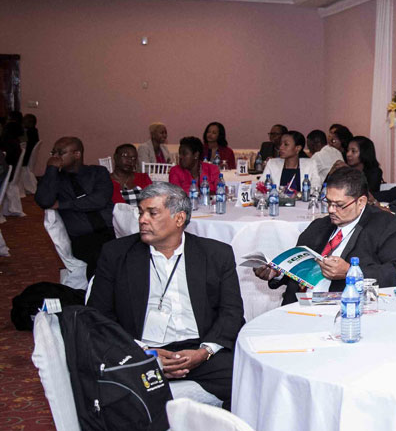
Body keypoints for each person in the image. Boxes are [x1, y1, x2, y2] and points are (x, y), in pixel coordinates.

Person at [88, 182, 244, 409]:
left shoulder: (216, 254)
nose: (142, 220)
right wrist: (144, 353)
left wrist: (204, 352)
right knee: (111, 392)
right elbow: (98, 316)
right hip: (140, 350)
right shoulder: (116, 254)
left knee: (248, 378)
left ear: (179, 218)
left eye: (152, 213)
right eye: (141, 212)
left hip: (199, 348)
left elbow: (231, 312)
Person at [254, 166, 396, 305]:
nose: (331, 210)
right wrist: (278, 273)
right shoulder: (320, 226)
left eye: (339, 205)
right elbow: (303, 269)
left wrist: (351, 272)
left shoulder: (389, 227)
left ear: (361, 202)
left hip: (346, 309)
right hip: (298, 307)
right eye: (328, 202)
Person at [34, 137, 114, 278]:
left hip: (111, 230)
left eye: (60, 153)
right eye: (53, 153)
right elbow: (44, 201)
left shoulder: (98, 172)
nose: (55, 157)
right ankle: (96, 291)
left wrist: (63, 204)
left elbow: (99, 200)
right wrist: (51, 169)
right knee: (100, 258)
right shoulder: (55, 180)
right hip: (83, 238)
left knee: (134, 252)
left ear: (77, 154)